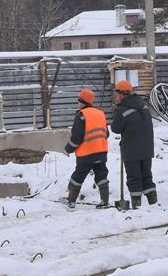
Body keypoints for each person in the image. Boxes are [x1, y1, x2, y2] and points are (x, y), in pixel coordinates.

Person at [111, 79, 156, 207]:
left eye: (117, 94)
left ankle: (137, 206)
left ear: (121, 94)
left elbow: (115, 129)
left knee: (134, 178)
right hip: (147, 149)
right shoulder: (144, 106)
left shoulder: (122, 109)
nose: (116, 97)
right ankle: (154, 204)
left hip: (131, 150)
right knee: (147, 177)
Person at [63, 88, 110, 209]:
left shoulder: (81, 116)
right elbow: (107, 134)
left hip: (86, 154)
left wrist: (68, 149)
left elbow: (76, 137)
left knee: (78, 176)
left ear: (81, 101)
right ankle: (105, 201)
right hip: (101, 152)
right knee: (101, 176)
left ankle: (71, 200)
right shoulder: (100, 113)